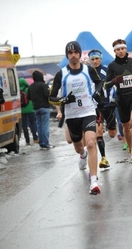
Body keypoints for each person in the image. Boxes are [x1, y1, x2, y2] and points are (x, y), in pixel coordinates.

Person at [49, 41, 103, 195]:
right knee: (79, 146)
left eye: (75, 52)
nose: (73, 55)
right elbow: (51, 97)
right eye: (70, 53)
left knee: (92, 143)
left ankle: (93, 181)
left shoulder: (88, 69)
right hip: (72, 116)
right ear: (67, 55)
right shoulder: (61, 74)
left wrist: (98, 93)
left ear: (80, 54)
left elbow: (99, 83)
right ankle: (82, 154)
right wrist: (63, 101)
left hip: (88, 111)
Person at [105, 38, 132, 164]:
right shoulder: (112, 66)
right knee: (125, 127)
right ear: (115, 51)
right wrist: (114, 81)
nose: (121, 51)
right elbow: (105, 85)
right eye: (118, 49)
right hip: (121, 98)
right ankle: (130, 148)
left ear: (126, 49)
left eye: (122, 48)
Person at [88, 49, 116, 169]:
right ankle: (104, 158)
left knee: (112, 133)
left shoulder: (107, 70)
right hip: (95, 107)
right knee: (98, 132)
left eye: (97, 59)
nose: (95, 61)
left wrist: (115, 99)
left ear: (101, 59)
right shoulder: (87, 72)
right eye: (92, 59)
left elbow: (115, 85)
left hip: (108, 105)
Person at [28, 70, 53, 150]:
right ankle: (46, 143)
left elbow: (29, 97)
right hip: (45, 107)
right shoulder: (43, 85)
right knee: (45, 126)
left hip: (36, 108)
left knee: (39, 126)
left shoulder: (31, 86)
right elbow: (48, 95)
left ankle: (41, 143)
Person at [19, 78, 39, 146]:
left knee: (24, 126)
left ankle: (27, 141)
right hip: (30, 109)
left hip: (22, 110)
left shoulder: (17, 90)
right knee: (33, 123)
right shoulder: (28, 89)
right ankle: (35, 138)